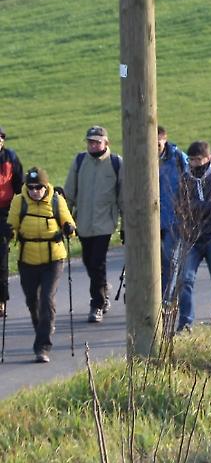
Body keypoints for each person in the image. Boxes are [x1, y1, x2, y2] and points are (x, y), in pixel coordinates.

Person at [6, 167, 75, 362]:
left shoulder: (56, 201)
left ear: (46, 186)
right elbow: (12, 228)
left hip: (53, 259)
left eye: (39, 187)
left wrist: (69, 229)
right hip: (27, 259)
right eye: (31, 187)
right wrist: (7, 233)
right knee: (31, 301)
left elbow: (69, 224)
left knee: (46, 299)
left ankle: (42, 346)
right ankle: (43, 328)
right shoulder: (19, 201)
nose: (35, 191)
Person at [63, 125, 121, 324]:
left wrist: (125, 226)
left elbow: (122, 196)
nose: (93, 145)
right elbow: (69, 192)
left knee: (97, 262)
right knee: (89, 262)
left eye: (97, 141)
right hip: (83, 223)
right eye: (90, 141)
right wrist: (65, 219)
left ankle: (96, 304)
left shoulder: (116, 163)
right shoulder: (80, 161)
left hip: (105, 223)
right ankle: (103, 288)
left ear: (106, 143)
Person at [174, 141, 211, 332]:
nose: (194, 164)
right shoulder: (186, 177)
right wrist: (201, 206)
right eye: (191, 160)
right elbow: (181, 205)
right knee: (185, 279)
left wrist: (196, 207)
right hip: (192, 236)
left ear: (207, 158)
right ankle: (185, 323)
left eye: (198, 159)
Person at [157, 126, 189, 302]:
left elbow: (189, 183)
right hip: (150, 221)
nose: (155, 147)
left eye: (158, 143)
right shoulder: (141, 158)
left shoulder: (178, 158)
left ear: (165, 139)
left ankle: (166, 299)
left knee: (170, 261)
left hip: (173, 219)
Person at [0, 126, 23, 319]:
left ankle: (1, 301)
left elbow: (19, 186)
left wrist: (18, 214)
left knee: (1, 261)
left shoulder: (10, 158)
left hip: (4, 214)